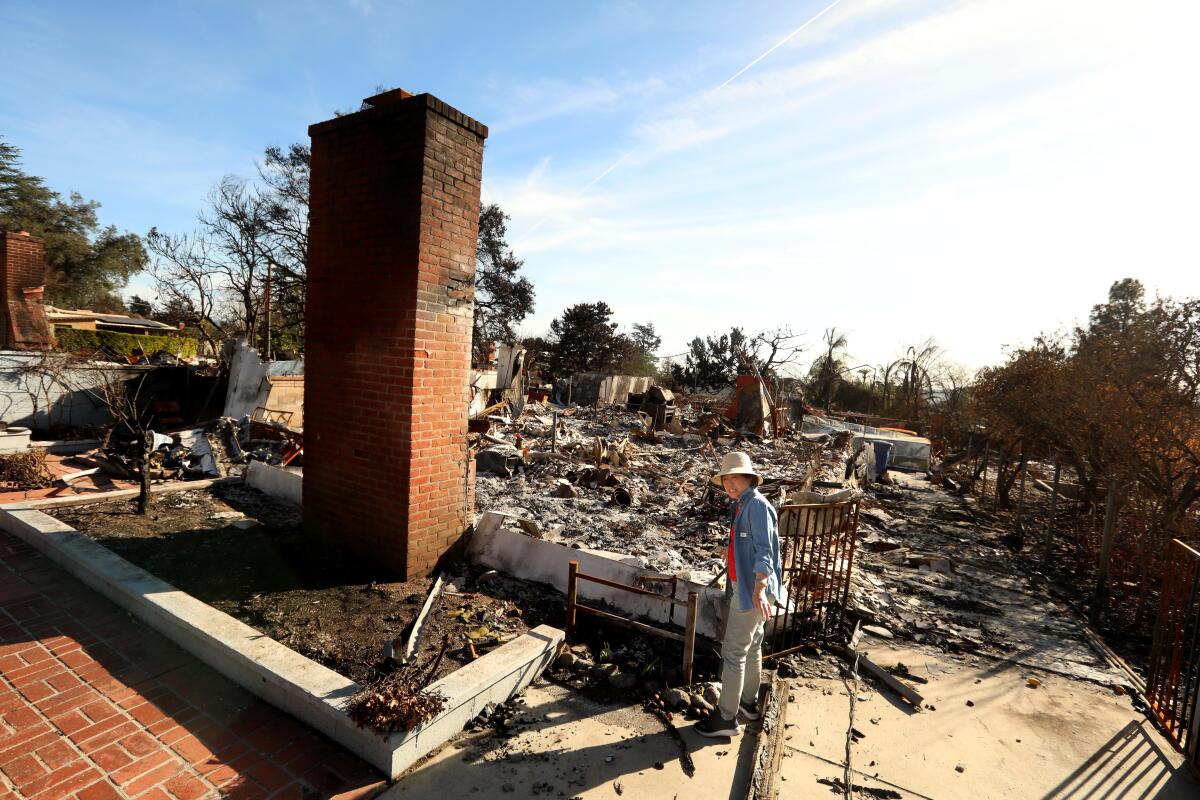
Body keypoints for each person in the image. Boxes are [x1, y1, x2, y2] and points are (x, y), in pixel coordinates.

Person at [695, 451, 784, 738]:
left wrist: (758, 587)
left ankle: (725, 719)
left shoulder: (756, 505)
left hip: (751, 592)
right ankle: (748, 704)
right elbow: (750, 545)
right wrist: (730, 552)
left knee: (733, 652)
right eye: (725, 480)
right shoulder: (744, 504)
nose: (729, 485)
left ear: (748, 477)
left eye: (734, 478)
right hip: (752, 589)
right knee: (753, 646)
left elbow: (765, 552)